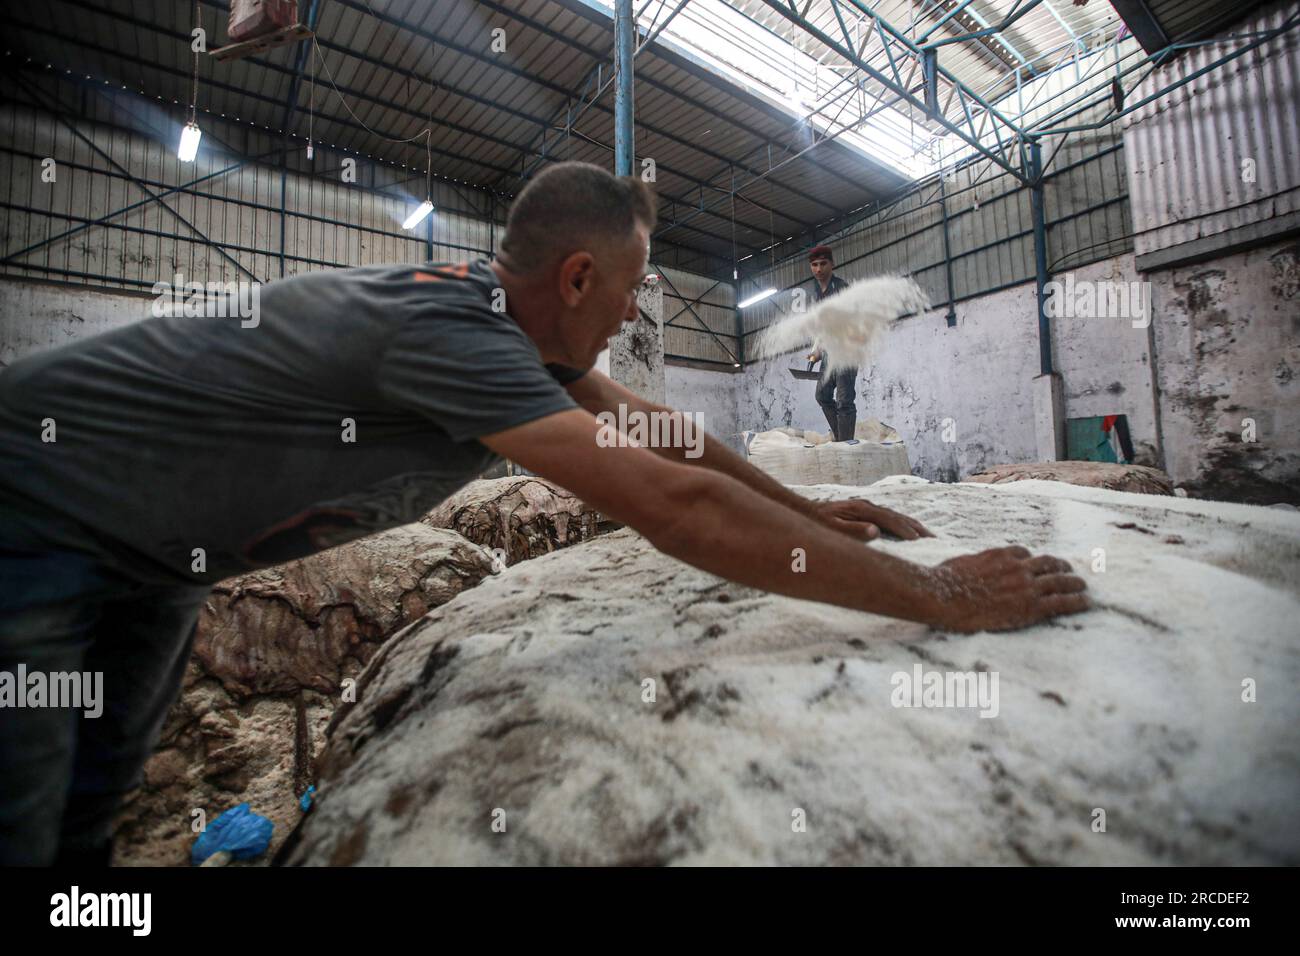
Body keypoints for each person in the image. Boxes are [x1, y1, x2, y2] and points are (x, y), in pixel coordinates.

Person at [0, 161, 1087, 866]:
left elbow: (667, 438)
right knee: (22, 824)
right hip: (31, 513)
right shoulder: (452, 335)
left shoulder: (511, 328)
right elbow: (672, 505)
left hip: (153, 554)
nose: (630, 315)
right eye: (628, 291)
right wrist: (937, 594)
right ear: (576, 277)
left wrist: (807, 501)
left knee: (91, 809)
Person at [804, 245, 858, 441]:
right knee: (822, 395)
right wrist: (817, 351)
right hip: (829, 352)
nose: (818, 269)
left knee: (844, 401)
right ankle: (841, 438)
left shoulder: (842, 288)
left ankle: (846, 444)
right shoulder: (819, 294)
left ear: (832, 264)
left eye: (823, 264)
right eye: (814, 265)